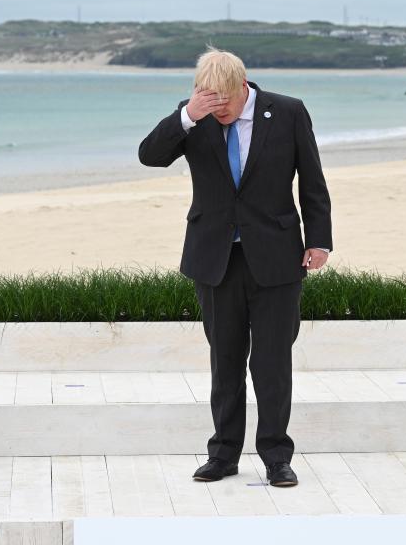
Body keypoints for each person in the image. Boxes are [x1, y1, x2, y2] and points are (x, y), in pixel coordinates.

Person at [139, 47, 332, 487]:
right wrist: (188, 115)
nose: (217, 111)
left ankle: (276, 457)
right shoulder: (195, 116)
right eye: (208, 101)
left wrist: (319, 240)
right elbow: (150, 155)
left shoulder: (287, 112)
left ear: (242, 87)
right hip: (215, 259)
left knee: (271, 363)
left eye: (222, 102)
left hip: (277, 258)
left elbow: (312, 179)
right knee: (224, 361)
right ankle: (223, 454)